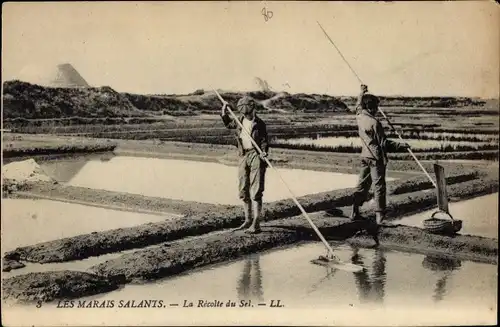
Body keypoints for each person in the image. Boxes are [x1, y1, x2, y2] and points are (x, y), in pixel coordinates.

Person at [351, 85, 410, 225]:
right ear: (371, 108)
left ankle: (354, 212)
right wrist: (402, 146)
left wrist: (361, 92)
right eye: (376, 107)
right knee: (379, 187)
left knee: (362, 185)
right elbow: (384, 144)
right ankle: (380, 218)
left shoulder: (359, 117)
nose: (377, 110)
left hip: (365, 156)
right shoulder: (375, 123)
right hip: (376, 158)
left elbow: (358, 105)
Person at [220, 96, 269, 234]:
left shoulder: (260, 124)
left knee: (256, 190)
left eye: (248, 112)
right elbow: (228, 124)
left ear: (253, 109)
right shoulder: (239, 121)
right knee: (243, 189)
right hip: (243, 155)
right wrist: (224, 112)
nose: (246, 114)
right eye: (243, 112)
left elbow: (264, 140)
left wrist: (264, 152)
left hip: (256, 155)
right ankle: (247, 220)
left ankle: (256, 223)